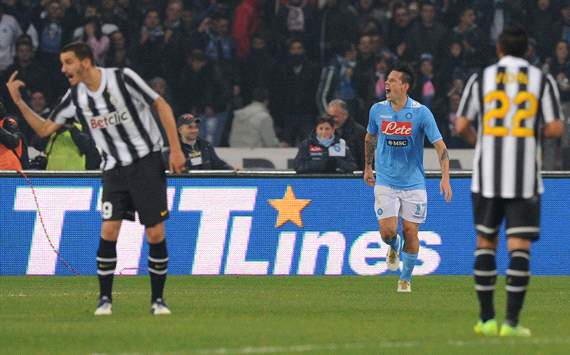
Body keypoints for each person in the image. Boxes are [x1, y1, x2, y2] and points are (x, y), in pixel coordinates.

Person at [6, 42, 186, 316]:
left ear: (85, 62)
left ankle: (158, 301)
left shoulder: (122, 78)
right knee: (109, 230)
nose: (63, 68)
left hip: (146, 161)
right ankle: (105, 300)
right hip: (114, 168)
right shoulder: (75, 97)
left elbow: (160, 104)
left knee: (155, 232)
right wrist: (18, 102)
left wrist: (175, 148)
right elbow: (44, 129)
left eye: (67, 62)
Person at [455, 26, 564, 337]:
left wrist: (483, 142)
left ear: (499, 49)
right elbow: (556, 128)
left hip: (487, 174)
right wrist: (527, 136)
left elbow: (461, 123)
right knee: (519, 247)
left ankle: (487, 320)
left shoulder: (481, 79)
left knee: (485, 243)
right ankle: (512, 324)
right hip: (525, 177)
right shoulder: (541, 79)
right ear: (527, 51)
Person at [364, 63, 452, 293]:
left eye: (392, 81)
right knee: (387, 232)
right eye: (387, 80)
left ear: (405, 86)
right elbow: (370, 139)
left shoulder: (421, 112)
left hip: (413, 182)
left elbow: (440, 146)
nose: (387, 84)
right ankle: (394, 246)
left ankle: (405, 279)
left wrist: (445, 177)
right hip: (385, 180)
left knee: (411, 231)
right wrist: (367, 167)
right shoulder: (377, 110)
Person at [326, 99, 366, 170]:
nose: (331, 120)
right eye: (329, 116)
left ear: (345, 115)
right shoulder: (324, 131)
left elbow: (365, 159)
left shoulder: (359, 133)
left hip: (353, 176)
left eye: (335, 117)